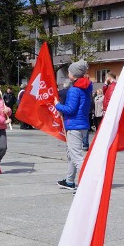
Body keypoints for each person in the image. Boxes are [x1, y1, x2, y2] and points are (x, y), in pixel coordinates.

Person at [54, 60, 93, 190]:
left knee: (76, 156)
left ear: (74, 74)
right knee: (72, 153)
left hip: (74, 126)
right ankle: (70, 181)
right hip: (82, 125)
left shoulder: (74, 90)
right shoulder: (86, 88)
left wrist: (57, 105)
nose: (68, 73)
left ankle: (86, 185)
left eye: (69, 72)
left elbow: (70, 109)